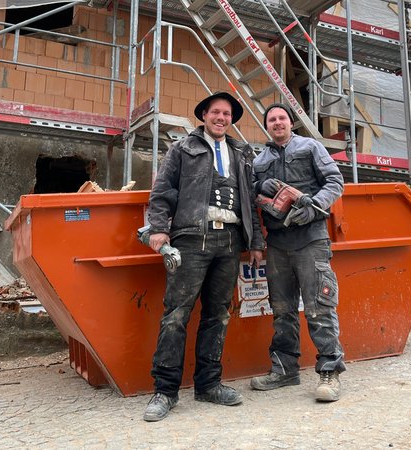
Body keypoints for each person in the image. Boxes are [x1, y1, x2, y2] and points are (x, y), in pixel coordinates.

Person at [143, 92, 264, 421]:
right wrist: (158, 229)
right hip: (191, 239)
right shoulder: (183, 148)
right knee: (176, 315)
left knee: (218, 315)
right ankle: (165, 391)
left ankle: (208, 385)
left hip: (229, 241)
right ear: (205, 115)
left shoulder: (242, 152)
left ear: (231, 119)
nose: (221, 117)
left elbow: (250, 202)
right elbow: (163, 190)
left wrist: (255, 242)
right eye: (215, 112)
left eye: (226, 113)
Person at [250, 103, 346, 402]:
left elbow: (335, 181)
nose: (277, 123)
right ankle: (284, 370)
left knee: (319, 307)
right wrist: (258, 185)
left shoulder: (311, 147)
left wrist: (314, 206)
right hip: (278, 243)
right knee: (282, 311)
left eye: (282, 118)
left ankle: (329, 372)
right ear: (267, 125)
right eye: (272, 119)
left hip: (311, 239)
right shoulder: (259, 160)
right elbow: (252, 196)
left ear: (291, 122)